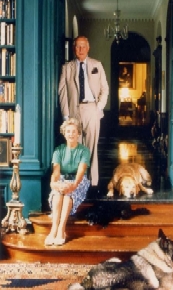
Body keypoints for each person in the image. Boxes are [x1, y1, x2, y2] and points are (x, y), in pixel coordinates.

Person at [58, 36, 109, 192]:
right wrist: (66, 115)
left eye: (83, 46)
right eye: (77, 47)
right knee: (75, 147)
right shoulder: (67, 68)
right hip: (74, 112)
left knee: (92, 147)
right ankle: (79, 181)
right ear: (74, 49)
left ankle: (93, 183)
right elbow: (62, 92)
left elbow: (104, 89)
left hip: (92, 109)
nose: (80, 50)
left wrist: (99, 107)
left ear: (88, 48)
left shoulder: (97, 65)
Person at [45, 118, 90, 246]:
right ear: (64, 133)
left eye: (74, 131)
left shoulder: (84, 151)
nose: (71, 134)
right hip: (63, 178)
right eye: (68, 131)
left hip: (78, 180)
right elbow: (56, 172)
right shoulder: (59, 150)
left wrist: (74, 185)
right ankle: (54, 229)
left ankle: (61, 229)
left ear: (78, 133)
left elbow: (81, 172)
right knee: (58, 194)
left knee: (68, 195)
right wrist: (54, 184)